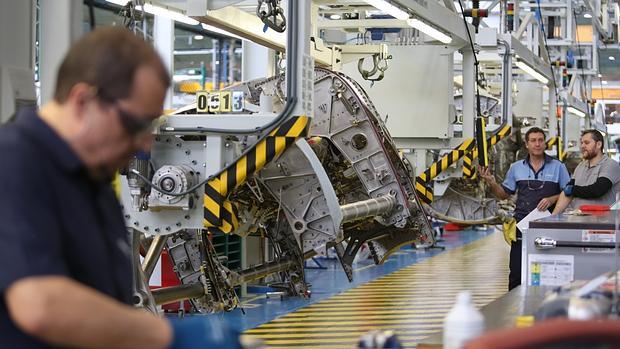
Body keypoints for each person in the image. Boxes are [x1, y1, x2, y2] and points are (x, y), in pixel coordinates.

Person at [0, 27, 241, 349]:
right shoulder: (14, 161)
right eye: (135, 125)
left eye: (152, 127)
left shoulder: (93, 180)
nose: (144, 144)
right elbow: (41, 305)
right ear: (83, 101)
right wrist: (168, 336)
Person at [478, 127, 570, 290]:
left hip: (549, 225)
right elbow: (504, 195)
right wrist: (491, 182)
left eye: (540, 140)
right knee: (516, 272)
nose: (537, 144)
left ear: (545, 143)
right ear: (526, 144)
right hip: (522, 225)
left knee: (548, 271)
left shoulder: (558, 167)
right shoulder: (516, 167)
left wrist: (551, 199)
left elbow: (568, 193)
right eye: (533, 141)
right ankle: (513, 310)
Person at [552, 129, 620, 214]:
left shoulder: (610, 165)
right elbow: (566, 193)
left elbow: (598, 190)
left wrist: (573, 190)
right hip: (577, 220)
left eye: (587, 143)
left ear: (598, 144)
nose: (583, 146)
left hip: (602, 223)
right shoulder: (580, 166)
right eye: (582, 143)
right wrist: (552, 217)